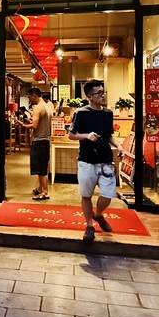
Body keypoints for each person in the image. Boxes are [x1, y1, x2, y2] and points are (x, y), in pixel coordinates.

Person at [68, 80, 123, 244]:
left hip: (106, 159)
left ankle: (98, 214)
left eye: (103, 92)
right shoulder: (81, 113)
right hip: (86, 160)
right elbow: (71, 135)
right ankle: (89, 225)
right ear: (89, 96)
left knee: (108, 194)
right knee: (86, 195)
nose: (102, 95)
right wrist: (87, 136)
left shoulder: (108, 113)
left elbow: (109, 135)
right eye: (98, 93)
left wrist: (119, 146)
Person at [21, 87, 52, 200]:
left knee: (41, 169)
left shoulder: (38, 108)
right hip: (45, 140)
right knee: (42, 167)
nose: (29, 100)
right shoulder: (47, 106)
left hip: (39, 141)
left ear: (34, 96)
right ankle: (39, 188)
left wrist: (24, 125)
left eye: (29, 97)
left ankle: (45, 192)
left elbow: (34, 126)